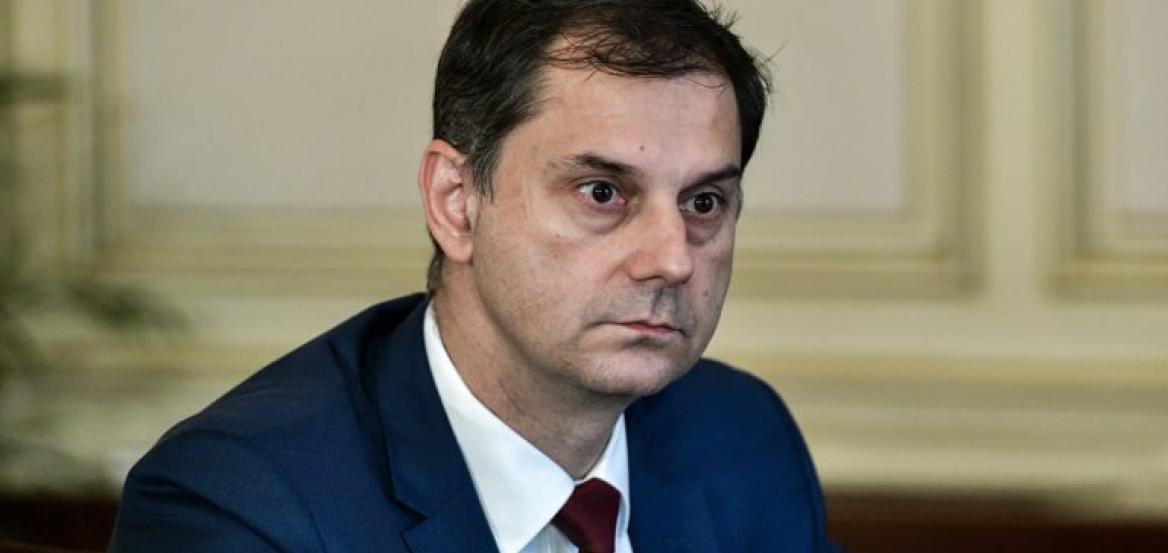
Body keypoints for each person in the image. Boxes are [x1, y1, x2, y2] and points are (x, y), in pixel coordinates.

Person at [110, 1, 843, 551]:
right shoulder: (243, 504)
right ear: (455, 202)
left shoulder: (742, 438)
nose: (673, 258)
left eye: (704, 202)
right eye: (602, 192)